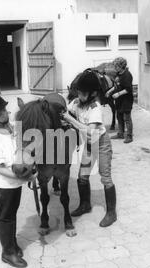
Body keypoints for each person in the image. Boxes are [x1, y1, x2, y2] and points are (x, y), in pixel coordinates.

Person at [0, 92, 35, 268]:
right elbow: (1, 169)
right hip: (4, 186)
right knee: (6, 218)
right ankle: (7, 253)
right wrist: (25, 176)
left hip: (14, 184)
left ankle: (12, 244)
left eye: (4, 110)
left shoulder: (11, 128)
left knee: (12, 215)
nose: (4, 114)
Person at [61, 70, 117, 228]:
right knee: (82, 177)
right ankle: (85, 205)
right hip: (90, 144)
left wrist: (70, 119)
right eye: (78, 92)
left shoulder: (95, 108)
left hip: (102, 143)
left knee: (105, 177)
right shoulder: (77, 103)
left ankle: (112, 213)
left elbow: (90, 131)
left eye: (83, 93)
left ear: (92, 93)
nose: (79, 95)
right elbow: (66, 112)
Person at [106, 57, 134, 143]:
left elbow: (128, 89)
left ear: (121, 66)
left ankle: (129, 136)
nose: (115, 67)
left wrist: (118, 94)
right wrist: (109, 91)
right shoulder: (118, 74)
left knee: (127, 118)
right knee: (119, 117)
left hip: (126, 101)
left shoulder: (127, 75)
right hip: (119, 100)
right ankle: (120, 134)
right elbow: (116, 86)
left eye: (116, 66)